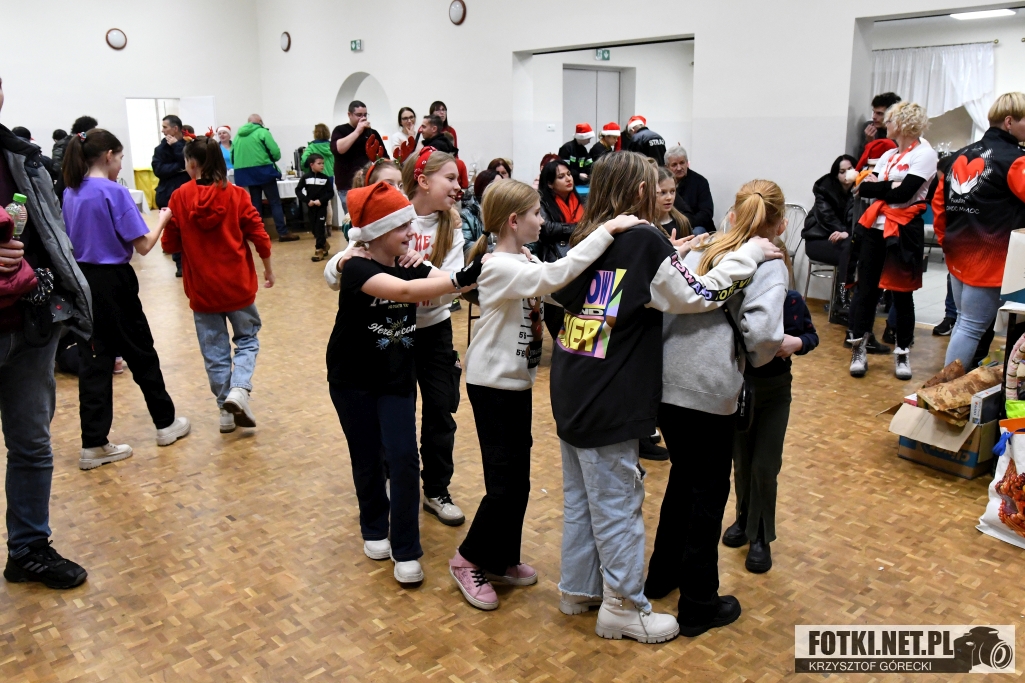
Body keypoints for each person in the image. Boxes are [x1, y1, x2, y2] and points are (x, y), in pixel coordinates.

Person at [550, 151, 781, 643]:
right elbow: (698, 294)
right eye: (652, 186)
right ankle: (623, 609)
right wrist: (750, 256)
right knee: (618, 504)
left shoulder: (592, 234)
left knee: (582, 500)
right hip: (610, 393)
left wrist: (674, 252)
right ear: (640, 191)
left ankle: (579, 589)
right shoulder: (641, 239)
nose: (661, 193)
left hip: (573, 382)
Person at [449, 178, 643, 610]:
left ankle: (501, 558)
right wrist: (606, 230)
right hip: (492, 386)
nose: (543, 221)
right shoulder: (499, 266)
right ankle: (468, 559)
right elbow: (555, 275)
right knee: (504, 484)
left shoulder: (523, 258)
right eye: (537, 214)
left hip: (514, 384)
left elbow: (556, 291)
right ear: (513, 221)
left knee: (518, 481)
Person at [645, 178, 789, 637]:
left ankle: (662, 576)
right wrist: (761, 355)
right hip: (710, 391)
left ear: (732, 213)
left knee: (683, 481)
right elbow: (762, 336)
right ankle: (699, 604)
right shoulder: (769, 262)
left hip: (666, 385)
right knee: (708, 495)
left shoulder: (699, 247)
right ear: (781, 225)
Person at [325, 182, 481, 586]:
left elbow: (443, 283)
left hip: (395, 376)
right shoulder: (356, 266)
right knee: (367, 455)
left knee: (404, 457)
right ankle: (374, 527)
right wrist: (461, 277)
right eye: (402, 227)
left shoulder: (411, 261)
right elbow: (406, 291)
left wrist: (466, 273)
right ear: (378, 232)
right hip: (351, 378)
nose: (411, 233)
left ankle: (407, 548)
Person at [0, 77, 92, 589]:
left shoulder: (22, 158)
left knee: (33, 444)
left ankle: (29, 549)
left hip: (29, 326)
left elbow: (50, 235)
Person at [61, 128, 191, 470]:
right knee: (140, 351)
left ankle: (93, 443)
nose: (120, 165)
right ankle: (165, 423)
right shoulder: (113, 191)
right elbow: (144, 245)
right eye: (119, 158)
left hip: (82, 281)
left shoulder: (71, 191)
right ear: (108, 156)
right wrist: (163, 219)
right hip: (113, 281)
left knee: (94, 359)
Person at [162, 136, 274, 433]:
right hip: (237, 285)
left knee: (214, 351)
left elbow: (170, 244)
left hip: (202, 289)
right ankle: (239, 389)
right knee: (247, 339)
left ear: (192, 164)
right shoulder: (236, 195)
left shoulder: (179, 197)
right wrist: (268, 269)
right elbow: (259, 234)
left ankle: (225, 409)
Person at [722, 290, 818, 574]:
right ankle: (744, 518)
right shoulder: (737, 298)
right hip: (739, 388)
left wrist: (797, 342)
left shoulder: (791, 300)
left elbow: (811, 336)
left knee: (765, 466)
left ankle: (761, 534)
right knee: (742, 462)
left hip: (775, 392)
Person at [934, 92, 1025, 370]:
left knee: (964, 323)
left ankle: (949, 386)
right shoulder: (1015, 160)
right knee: (970, 327)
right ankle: (945, 389)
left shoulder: (957, 156)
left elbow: (939, 206)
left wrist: (947, 243)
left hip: (958, 252)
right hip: (989, 258)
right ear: (1009, 122)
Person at [847, 101, 936, 380]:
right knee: (866, 290)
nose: (886, 124)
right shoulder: (888, 154)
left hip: (904, 229)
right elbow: (864, 188)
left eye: (890, 119)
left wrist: (882, 187)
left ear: (904, 123)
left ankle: (902, 353)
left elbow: (904, 193)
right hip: (875, 228)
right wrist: (889, 186)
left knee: (902, 293)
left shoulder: (925, 153)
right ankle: (858, 348)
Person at [537, 158, 583, 339]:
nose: (568, 179)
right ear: (550, 183)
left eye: (569, 174)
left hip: (581, 255)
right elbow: (546, 229)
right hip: (555, 257)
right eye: (561, 177)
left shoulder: (581, 200)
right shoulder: (543, 202)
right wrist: (577, 228)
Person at [233, 114, 296, 242]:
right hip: (264, 170)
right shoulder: (262, 132)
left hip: (246, 173)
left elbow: (232, 155)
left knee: (255, 204)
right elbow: (275, 152)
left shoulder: (237, 136)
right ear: (260, 121)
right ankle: (282, 232)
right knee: (274, 202)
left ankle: (258, 233)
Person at [331, 100, 389, 209]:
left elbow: (384, 157)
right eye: (359, 115)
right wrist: (357, 131)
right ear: (349, 115)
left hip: (368, 183)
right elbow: (339, 149)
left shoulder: (372, 133)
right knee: (351, 216)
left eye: (365, 115)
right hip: (347, 185)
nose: (363, 118)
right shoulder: (340, 130)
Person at [802, 154, 857, 266]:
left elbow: (859, 219)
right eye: (842, 172)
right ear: (836, 175)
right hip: (819, 237)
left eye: (850, 169)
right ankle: (843, 279)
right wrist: (845, 232)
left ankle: (844, 278)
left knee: (857, 250)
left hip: (844, 238)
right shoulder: (824, 188)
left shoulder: (859, 189)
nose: (847, 174)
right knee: (849, 254)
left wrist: (847, 233)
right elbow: (828, 217)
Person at [665, 146, 715, 233]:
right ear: (667, 167)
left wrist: (685, 224)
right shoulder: (663, 183)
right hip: (672, 225)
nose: (679, 168)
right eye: (674, 165)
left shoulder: (700, 182)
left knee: (696, 232)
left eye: (682, 163)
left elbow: (706, 212)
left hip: (696, 226)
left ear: (687, 163)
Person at [296, 153, 335, 262]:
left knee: (320, 227)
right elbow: (298, 190)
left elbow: (331, 193)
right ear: (311, 165)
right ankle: (324, 243)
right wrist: (307, 200)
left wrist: (321, 201)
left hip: (321, 207)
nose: (322, 165)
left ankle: (319, 250)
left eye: (323, 163)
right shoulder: (305, 177)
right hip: (311, 207)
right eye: (319, 163)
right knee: (314, 229)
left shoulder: (325, 178)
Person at [52, 116, 97, 204]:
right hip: (71, 180)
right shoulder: (74, 142)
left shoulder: (69, 141)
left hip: (70, 181)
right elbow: (58, 164)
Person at [459, 169, 499, 254]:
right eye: (498, 187)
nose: (503, 191)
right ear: (484, 189)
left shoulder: (506, 213)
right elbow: (466, 248)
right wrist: (501, 250)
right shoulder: (466, 216)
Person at [856, 92, 902, 161]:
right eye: (874, 112)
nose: (874, 117)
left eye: (879, 113)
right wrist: (869, 142)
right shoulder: (869, 127)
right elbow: (861, 160)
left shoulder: (901, 132)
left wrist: (873, 144)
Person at [656, 166, 693, 239]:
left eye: (672, 191)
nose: (669, 197)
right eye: (663, 192)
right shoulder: (648, 225)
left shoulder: (682, 222)